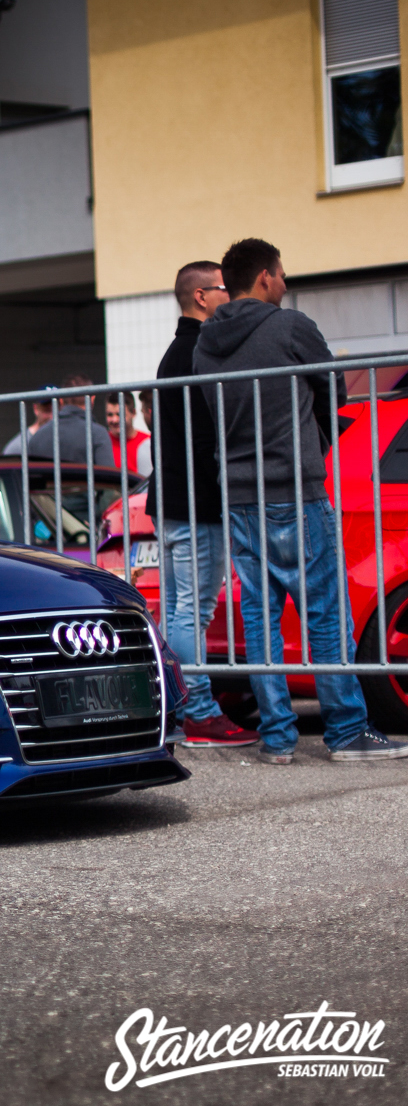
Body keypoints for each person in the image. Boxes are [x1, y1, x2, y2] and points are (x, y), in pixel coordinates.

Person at [194, 238, 408, 763]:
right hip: (295, 488)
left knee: (261, 619)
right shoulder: (289, 327)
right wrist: (318, 443)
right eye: (282, 275)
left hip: (239, 495)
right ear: (265, 277)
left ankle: (279, 738)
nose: (286, 285)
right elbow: (332, 391)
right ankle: (346, 732)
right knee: (325, 613)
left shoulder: (205, 344)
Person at [152, 260, 255, 747]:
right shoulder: (199, 352)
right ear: (201, 296)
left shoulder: (175, 352)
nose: (230, 296)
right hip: (196, 502)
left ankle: (181, 709)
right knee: (193, 611)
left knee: (179, 611)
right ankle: (198, 710)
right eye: (222, 289)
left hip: (173, 500)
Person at [15, 374, 115, 465]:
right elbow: (110, 479)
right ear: (92, 399)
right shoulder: (97, 434)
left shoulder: (37, 437)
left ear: (61, 401)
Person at [2, 390, 54, 455]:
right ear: (36, 409)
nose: (52, 417)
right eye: (47, 411)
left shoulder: (64, 439)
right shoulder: (19, 446)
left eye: (57, 410)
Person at [105, 394, 148, 470]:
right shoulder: (102, 441)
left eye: (119, 414)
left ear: (133, 413)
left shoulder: (147, 442)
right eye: (110, 415)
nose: (114, 420)